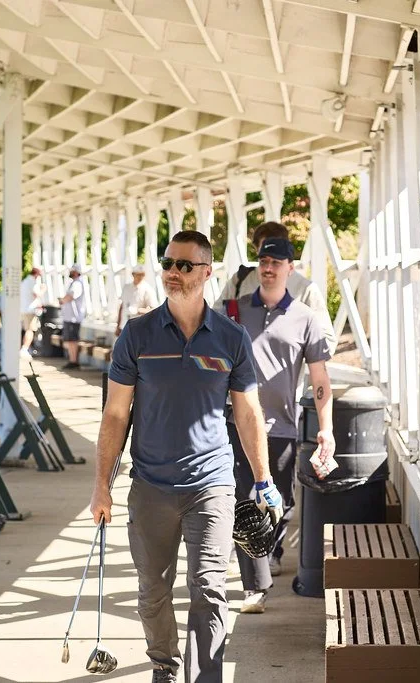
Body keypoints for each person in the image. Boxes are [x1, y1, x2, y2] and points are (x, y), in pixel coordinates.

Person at [90, 230, 284, 683]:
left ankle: (205, 678)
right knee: (152, 590)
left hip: (211, 485)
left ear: (207, 272)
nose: (173, 272)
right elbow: (115, 415)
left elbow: (248, 413)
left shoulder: (231, 338)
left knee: (210, 588)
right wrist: (101, 485)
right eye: (168, 263)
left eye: (184, 265)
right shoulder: (137, 335)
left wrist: (263, 480)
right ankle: (165, 666)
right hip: (150, 486)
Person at [219, 237, 336, 614]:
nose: (268, 268)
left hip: (283, 425)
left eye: (276, 262)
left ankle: (265, 551)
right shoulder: (234, 311)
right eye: (263, 261)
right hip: (236, 421)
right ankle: (255, 586)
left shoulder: (306, 318)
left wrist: (326, 428)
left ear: (290, 268)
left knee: (279, 502)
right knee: (244, 500)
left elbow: (320, 377)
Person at [218, 221, 334, 344]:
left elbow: (326, 339)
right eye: (266, 248)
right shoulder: (240, 280)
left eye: (277, 252)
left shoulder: (306, 288)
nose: (271, 253)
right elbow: (215, 320)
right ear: (257, 250)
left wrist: (294, 347)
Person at [115, 264, 158, 336]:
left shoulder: (148, 290)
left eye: (142, 274)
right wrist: (118, 325)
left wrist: (139, 311)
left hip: (139, 328)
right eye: (138, 274)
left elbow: (154, 310)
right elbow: (122, 307)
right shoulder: (126, 287)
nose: (140, 277)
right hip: (124, 326)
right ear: (133, 274)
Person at [59, 265, 86, 369]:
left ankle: (73, 360)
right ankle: (72, 360)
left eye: (72, 271)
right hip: (70, 317)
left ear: (76, 272)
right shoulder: (75, 283)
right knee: (70, 340)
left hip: (74, 317)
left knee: (72, 339)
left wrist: (62, 301)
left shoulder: (77, 284)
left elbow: (72, 295)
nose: (70, 272)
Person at [19, 267, 44, 358]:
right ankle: (25, 349)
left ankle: (25, 348)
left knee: (25, 329)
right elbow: (37, 294)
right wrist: (43, 289)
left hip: (23, 309)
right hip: (29, 310)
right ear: (36, 274)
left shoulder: (24, 281)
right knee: (29, 330)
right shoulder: (32, 282)